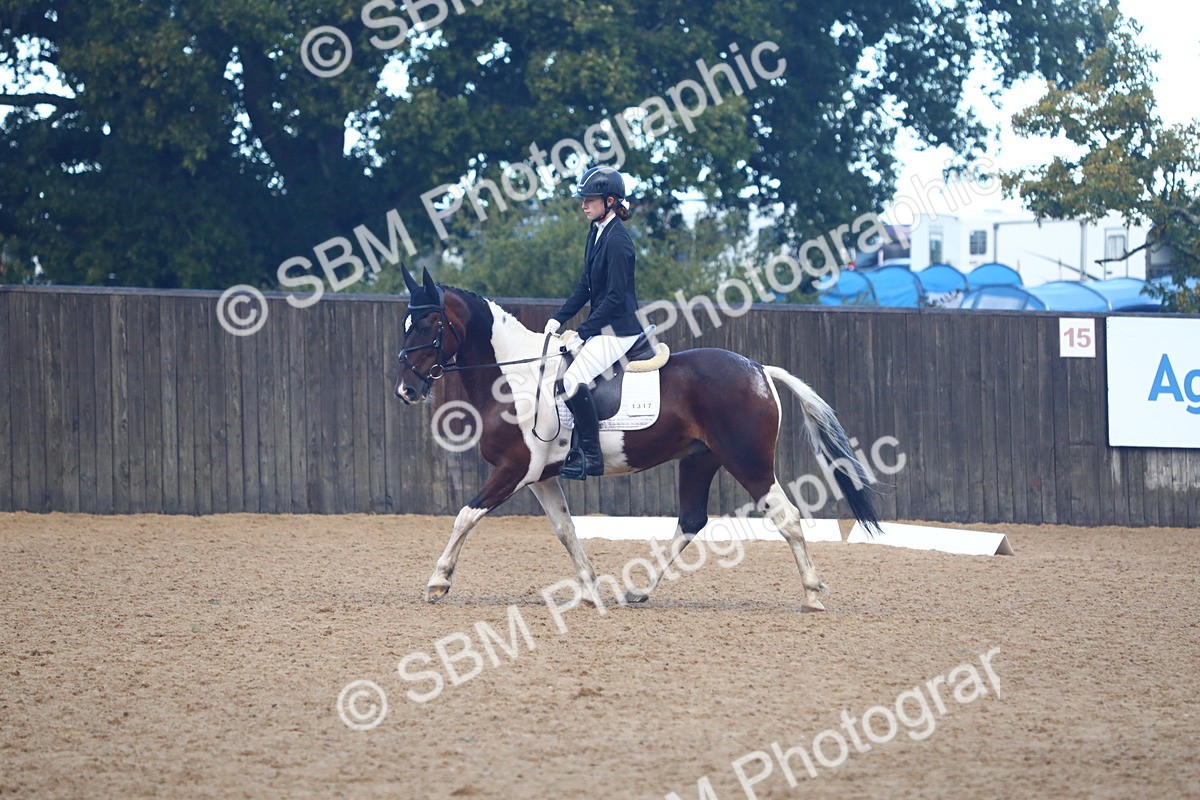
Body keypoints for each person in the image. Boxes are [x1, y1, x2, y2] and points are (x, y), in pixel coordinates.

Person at [543, 166, 643, 480]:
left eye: (591, 199)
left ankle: (590, 455)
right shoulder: (596, 232)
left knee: (572, 382)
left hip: (620, 330)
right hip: (603, 327)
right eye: (584, 199)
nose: (584, 205)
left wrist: (583, 331)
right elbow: (586, 286)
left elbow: (614, 298)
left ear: (610, 201)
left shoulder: (617, 242)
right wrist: (557, 318)